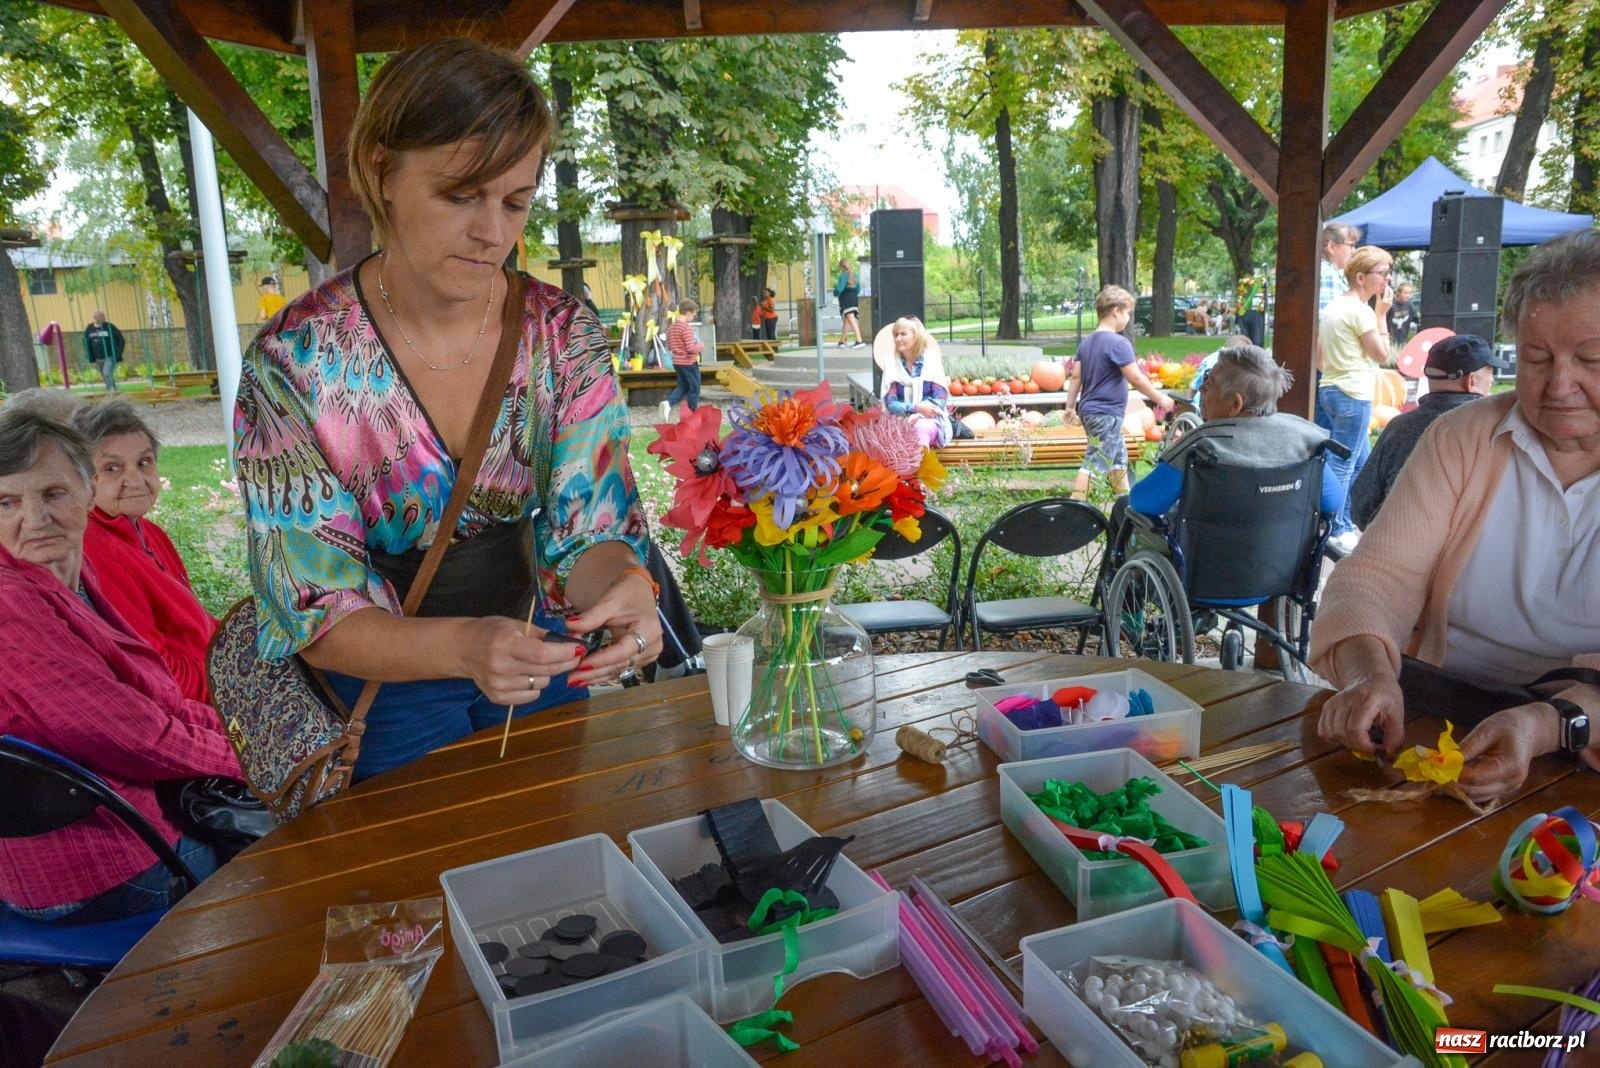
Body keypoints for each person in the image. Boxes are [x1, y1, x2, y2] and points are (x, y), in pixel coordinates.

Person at [232, 38, 659, 784]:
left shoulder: (560, 333)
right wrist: (464, 647)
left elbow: (590, 527)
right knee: (416, 883)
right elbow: (317, 606)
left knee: (551, 856)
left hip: (537, 649)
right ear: (381, 173)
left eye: (515, 201)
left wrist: (623, 587)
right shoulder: (295, 360)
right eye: (461, 195)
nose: (492, 231)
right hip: (383, 681)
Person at [1310, 229, 1600, 803]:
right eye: (1537, 359)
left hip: (1585, 738)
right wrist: (1371, 675)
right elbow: (1375, 579)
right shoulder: (1464, 436)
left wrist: (1546, 724)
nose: (1559, 384)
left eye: (1590, 359)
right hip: (1439, 717)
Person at [0, 410, 241, 924]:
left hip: (131, 824)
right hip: (99, 869)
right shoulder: (11, 605)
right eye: (7, 502)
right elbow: (133, 736)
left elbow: (157, 699)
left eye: (53, 494)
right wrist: (251, 756)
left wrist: (249, 737)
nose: (35, 518)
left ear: (87, 495)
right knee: (280, 855)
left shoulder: (66, 570)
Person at [74, 399, 219, 703]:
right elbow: (157, 672)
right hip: (201, 705)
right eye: (112, 468)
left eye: (144, 463)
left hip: (218, 674)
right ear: (82, 479)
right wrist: (234, 686)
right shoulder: (96, 551)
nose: (136, 480)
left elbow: (196, 625)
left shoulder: (148, 532)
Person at [1131, 344, 1342, 520]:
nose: (1202, 388)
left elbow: (1143, 502)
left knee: (1124, 508)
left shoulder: (1203, 443)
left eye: (1209, 382)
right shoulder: (1303, 438)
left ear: (1235, 403)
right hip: (1284, 562)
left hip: (1204, 560)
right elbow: (1333, 501)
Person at [1349, 333, 1507, 530]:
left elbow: (1360, 506)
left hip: (1397, 548)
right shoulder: (1498, 429)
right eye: (1490, 378)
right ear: (1471, 381)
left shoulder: (1399, 428)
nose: (1491, 382)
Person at [1316, 244, 1393, 553]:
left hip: (1332, 389)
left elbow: (1320, 358)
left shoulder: (1333, 307)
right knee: (1343, 464)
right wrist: (1382, 316)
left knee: (1361, 463)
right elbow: (1382, 354)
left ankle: (1350, 522)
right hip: (1353, 394)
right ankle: (1333, 528)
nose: (1387, 280)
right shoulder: (1360, 311)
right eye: (1383, 273)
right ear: (1361, 278)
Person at [1064, 285, 1173, 500]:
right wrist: (1160, 398)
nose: (1128, 319)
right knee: (1097, 460)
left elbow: (1075, 377)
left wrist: (1069, 407)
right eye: (1127, 313)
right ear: (1116, 311)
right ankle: (1074, 508)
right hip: (1107, 413)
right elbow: (1135, 378)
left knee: (1117, 459)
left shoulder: (1086, 343)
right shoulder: (1119, 343)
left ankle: (1126, 507)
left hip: (1089, 412)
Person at [876, 316, 952, 448]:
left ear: (916, 336)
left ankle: (921, 467)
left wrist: (918, 416)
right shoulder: (890, 363)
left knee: (920, 429)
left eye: (903, 334)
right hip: (899, 420)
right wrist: (914, 408)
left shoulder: (932, 360)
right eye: (896, 335)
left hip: (929, 420)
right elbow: (891, 403)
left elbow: (939, 400)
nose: (898, 339)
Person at [665, 298, 704, 416]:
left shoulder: (671, 327)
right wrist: (701, 346)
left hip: (677, 362)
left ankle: (668, 403)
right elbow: (691, 348)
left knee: (683, 386)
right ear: (688, 313)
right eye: (694, 315)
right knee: (695, 388)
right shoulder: (686, 327)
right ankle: (692, 412)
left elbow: (669, 345)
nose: (694, 317)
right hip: (688, 362)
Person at [83, 310, 124, 393]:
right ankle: (111, 391)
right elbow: (86, 341)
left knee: (107, 373)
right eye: (101, 316)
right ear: (95, 318)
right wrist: (89, 354)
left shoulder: (109, 327)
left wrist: (117, 353)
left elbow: (120, 339)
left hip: (109, 356)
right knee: (105, 376)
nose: (104, 318)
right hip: (98, 357)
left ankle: (112, 391)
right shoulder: (90, 328)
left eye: (104, 316)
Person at [834, 258, 863, 349]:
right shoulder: (855, 276)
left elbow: (839, 289)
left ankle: (859, 340)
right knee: (847, 320)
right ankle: (841, 341)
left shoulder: (843, 276)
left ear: (842, 267)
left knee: (851, 319)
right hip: (854, 298)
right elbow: (858, 289)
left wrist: (835, 293)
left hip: (846, 299)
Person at [1387, 281, 1419, 348]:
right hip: (1389, 341)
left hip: (1403, 341)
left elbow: (1416, 321)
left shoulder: (1410, 306)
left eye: (1410, 293)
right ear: (1399, 292)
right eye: (1405, 293)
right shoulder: (1390, 305)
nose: (1408, 295)